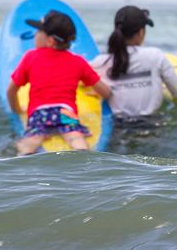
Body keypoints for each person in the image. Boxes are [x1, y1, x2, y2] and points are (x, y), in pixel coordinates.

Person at [6, 10, 111, 155]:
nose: (35, 35)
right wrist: (97, 93)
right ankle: (84, 155)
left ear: (50, 41)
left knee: (30, 141)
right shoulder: (78, 61)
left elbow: (11, 91)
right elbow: (106, 93)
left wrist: (16, 109)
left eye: (38, 32)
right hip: (65, 111)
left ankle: (26, 155)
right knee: (75, 136)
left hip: (39, 112)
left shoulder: (30, 57)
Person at [90, 6, 177, 118]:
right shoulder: (156, 56)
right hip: (153, 125)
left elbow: (81, 73)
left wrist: (98, 91)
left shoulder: (100, 63)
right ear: (141, 32)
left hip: (119, 128)